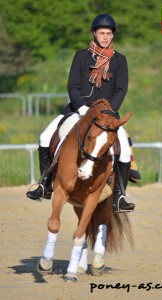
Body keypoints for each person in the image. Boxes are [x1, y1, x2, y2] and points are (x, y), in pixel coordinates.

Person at [26, 14, 141, 212]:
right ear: (94, 33)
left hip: (107, 115)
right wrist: (81, 107)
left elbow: (121, 90)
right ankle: (45, 184)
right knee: (45, 137)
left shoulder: (120, 60)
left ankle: (119, 196)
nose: (105, 37)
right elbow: (73, 85)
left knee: (123, 147)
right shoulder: (81, 56)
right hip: (79, 109)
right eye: (101, 33)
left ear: (112, 36)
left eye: (108, 33)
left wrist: (108, 112)